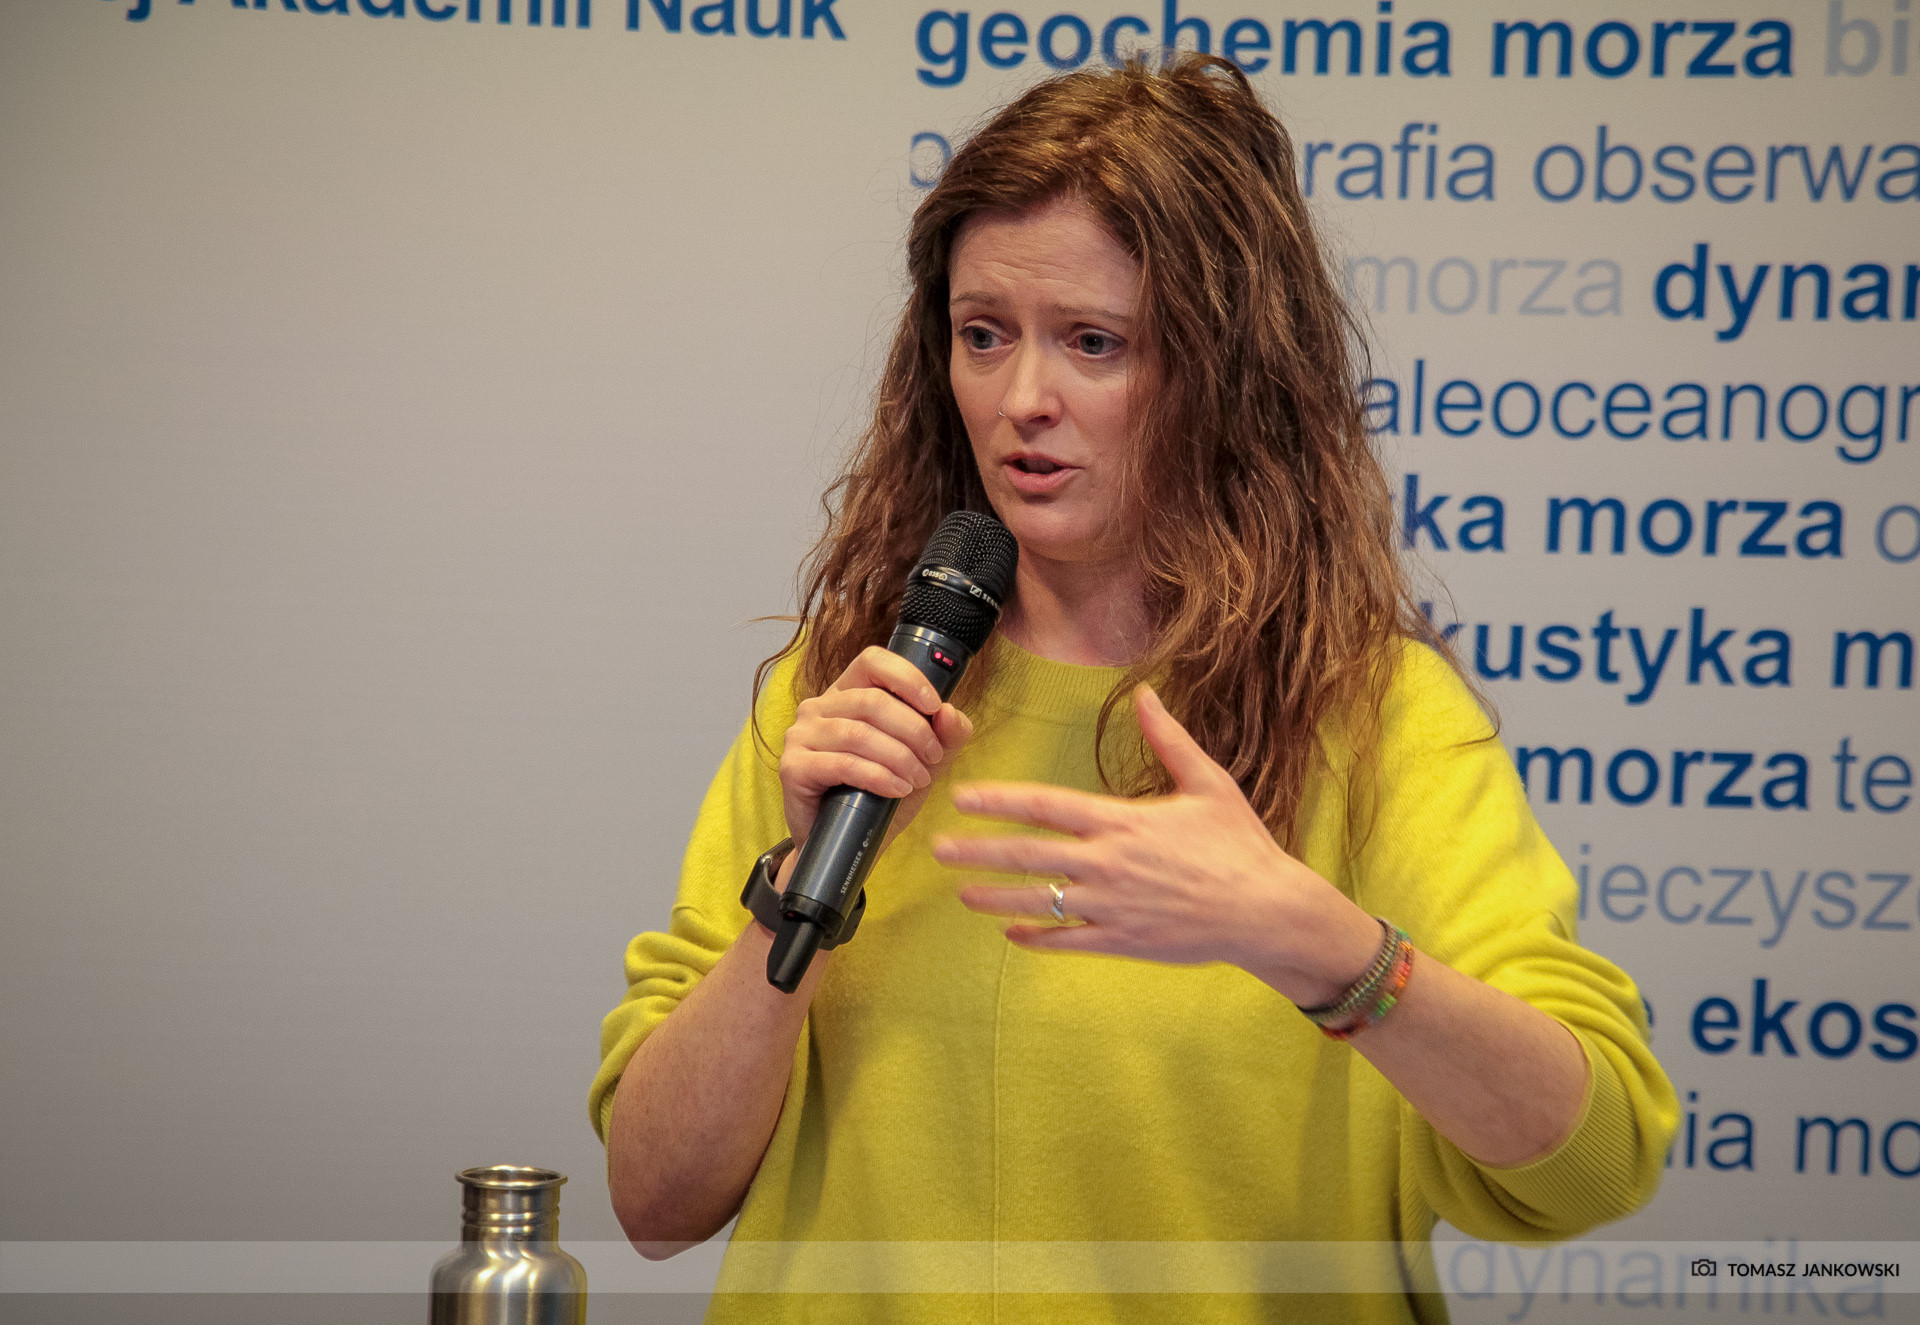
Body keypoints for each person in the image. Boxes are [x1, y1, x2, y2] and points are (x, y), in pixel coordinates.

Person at [591, 55, 1676, 1325]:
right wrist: (794, 893)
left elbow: (1596, 1160)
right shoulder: (853, 689)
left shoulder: (1371, 717)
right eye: (982, 335)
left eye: (1094, 343)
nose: (1022, 402)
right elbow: (655, 1200)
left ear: (1222, 369)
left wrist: (1310, 937)